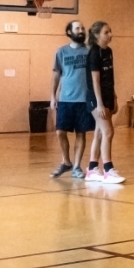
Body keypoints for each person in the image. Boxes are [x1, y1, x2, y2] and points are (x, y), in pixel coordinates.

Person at [50, 20, 93, 179]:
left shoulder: (89, 51)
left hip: (83, 99)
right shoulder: (61, 52)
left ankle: (76, 166)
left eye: (82, 28)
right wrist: (53, 96)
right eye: (77, 28)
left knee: (80, 133)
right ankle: (66, 162)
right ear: (69, 32)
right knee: (60, 131)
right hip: (65, 99)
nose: (81, 30)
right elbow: (56, 75)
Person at [84, 21, 124, 184]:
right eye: (106, 32)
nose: (110, 35)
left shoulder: (109, 51)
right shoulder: (94, 53)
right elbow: (95, 80)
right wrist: (100, 103)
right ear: (96, 35)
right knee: (108, 132)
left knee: (100, 133)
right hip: (96, 98)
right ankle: (108, 169)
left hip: (107, 96)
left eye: (110, 31)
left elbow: (110, 78)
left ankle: (92, 169)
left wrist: (113, 97)